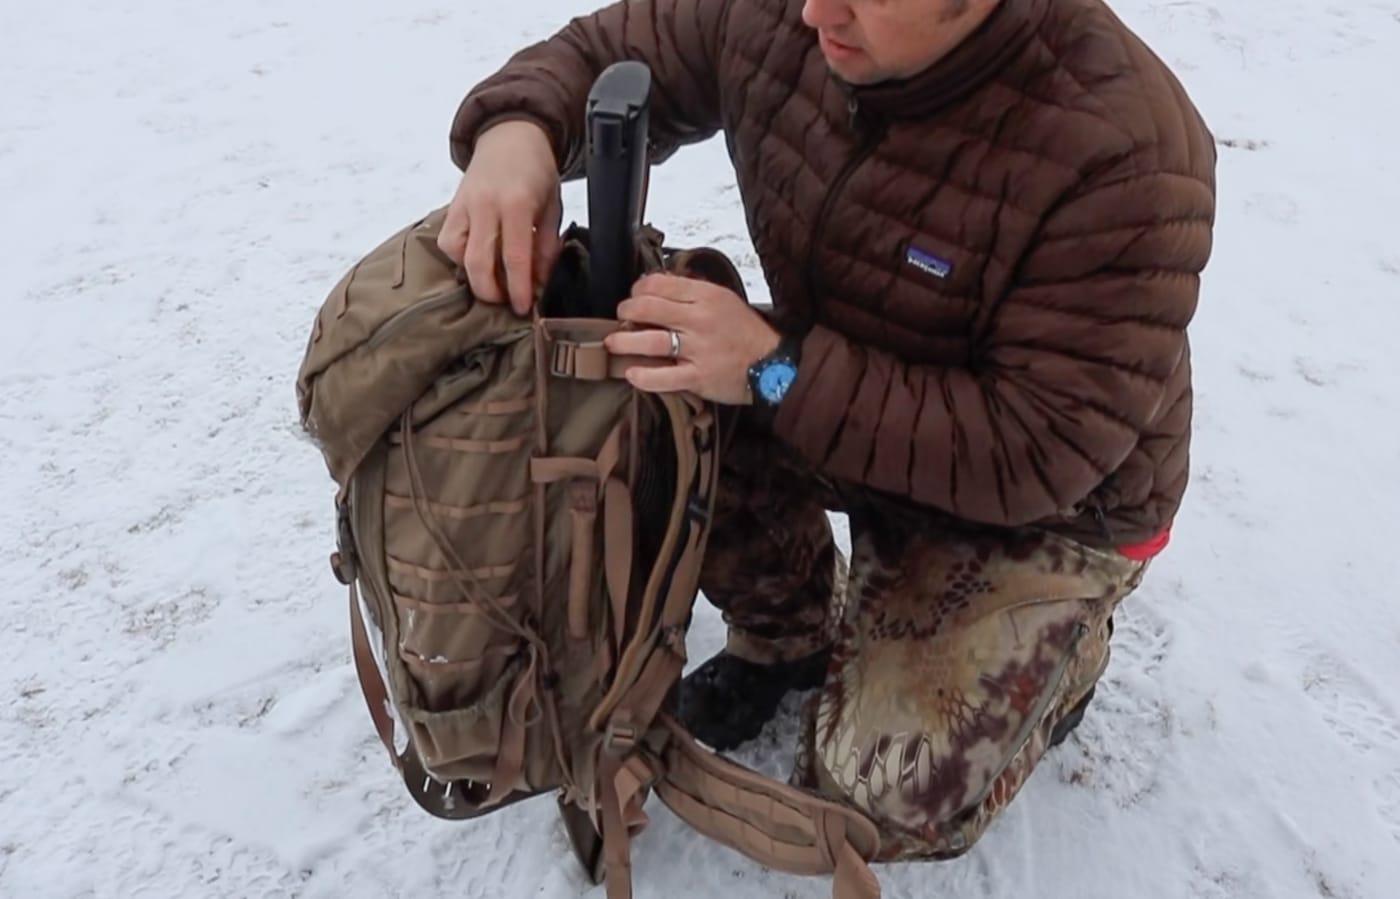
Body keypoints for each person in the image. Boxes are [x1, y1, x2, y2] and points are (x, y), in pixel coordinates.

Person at [438, 0, 1216, 862]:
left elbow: (1033, 452)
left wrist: (772, 371)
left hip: (1040, 509)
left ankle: (1064, 652)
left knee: (878, 790)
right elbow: (619, 47)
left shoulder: (1126, 151)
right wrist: (519, 130)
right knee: (664, 383)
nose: (815, 13)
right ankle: (788, 632)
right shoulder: (795, 11)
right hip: (830, 375)